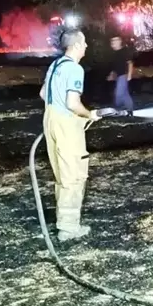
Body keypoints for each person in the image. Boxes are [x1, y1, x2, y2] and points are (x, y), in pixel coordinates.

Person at [40, 29, 104, 241]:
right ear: (76, 45)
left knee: (61, 175)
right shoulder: (75, 70)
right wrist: (90, 114)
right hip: (66, 124)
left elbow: (43, 94)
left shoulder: (55, 65)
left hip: (50, 120)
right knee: (74, 176)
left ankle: (64, 221)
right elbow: (72, 104)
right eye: (84, 42)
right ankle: (68, 228)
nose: (86, 46)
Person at [107, 35, 134, 116]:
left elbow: (130, 63)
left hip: (123, 75)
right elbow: (115, 66)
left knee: (119, 95)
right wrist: (112, 74)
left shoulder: (124, 51)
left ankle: (120, 110)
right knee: (125, 94)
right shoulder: (114, 53)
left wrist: (129, 74)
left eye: (115, 40)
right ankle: (130, 111)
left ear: (120, 41)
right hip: (118, 76)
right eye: (112, 41)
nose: (113, 42)